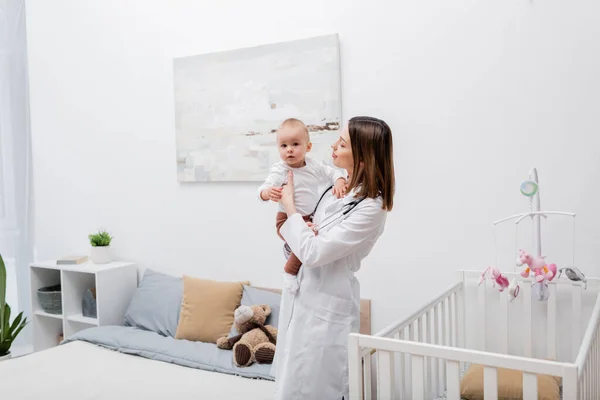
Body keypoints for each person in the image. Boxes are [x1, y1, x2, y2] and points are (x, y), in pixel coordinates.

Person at [271, 116, 395, 400]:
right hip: (302, 296)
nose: (333, 147)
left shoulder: (371, 208)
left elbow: (313, 252)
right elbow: (300, 241)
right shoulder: (334, 188)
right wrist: (298, 233)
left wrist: (289, 207)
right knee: (291, 383)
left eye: (342, 143)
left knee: (317, 388)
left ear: (362, 157)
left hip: (327, 305)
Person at [258, 118, 347, 292]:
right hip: (285, 219)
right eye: (283, 146)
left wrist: (339, 180)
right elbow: (264, 187)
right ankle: (289, 272)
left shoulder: (313, 165)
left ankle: (292, 256)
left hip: (309, 217)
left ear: (308, 147)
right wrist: (266, 193)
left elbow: (332, 172)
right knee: (306, 238)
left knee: (310, 240)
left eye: (295, 144)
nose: (289, 150)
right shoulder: (280, 170)